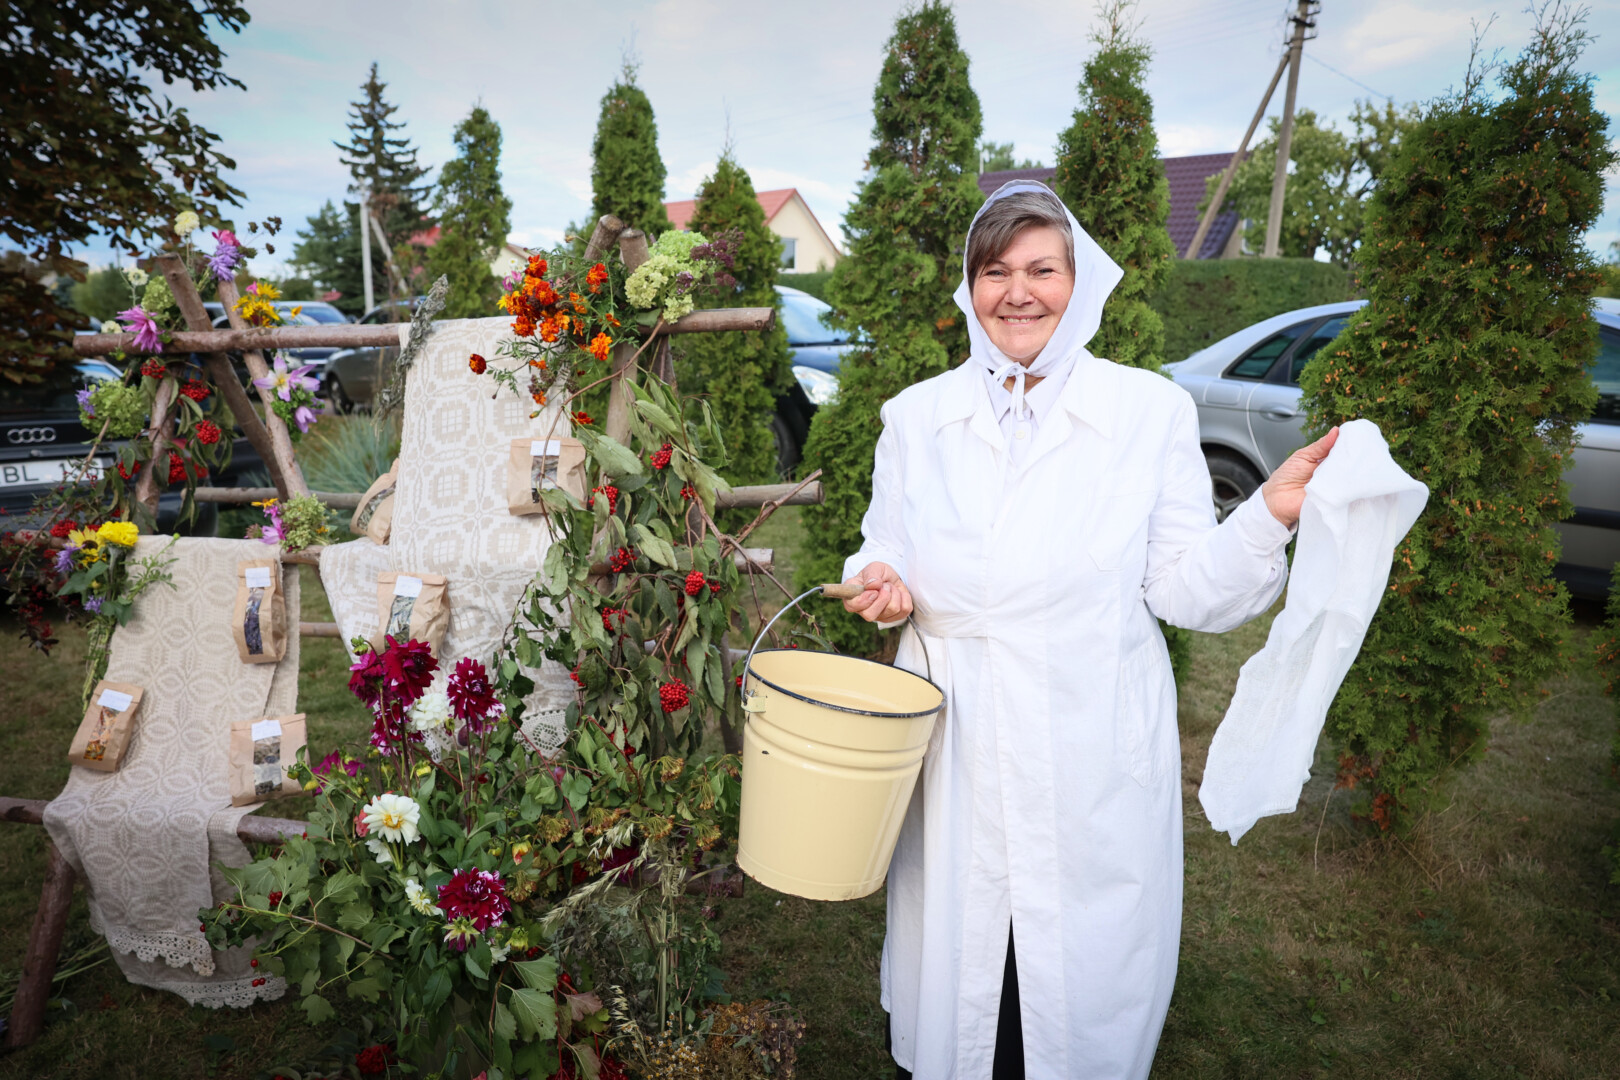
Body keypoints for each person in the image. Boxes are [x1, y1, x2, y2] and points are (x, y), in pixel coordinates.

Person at [841, 181, 1338, 1080]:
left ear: (1082, 282)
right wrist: (876, 580)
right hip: (958, 734)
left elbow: (1186, 588)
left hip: (1087, 737)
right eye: (996, 271)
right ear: (970, 287)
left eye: (1042, 269)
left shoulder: (1148, 412)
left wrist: (1269, 512)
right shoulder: (916, 417)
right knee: (964, 972)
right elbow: (887, 545)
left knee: (1075, 987)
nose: (1018, 292)